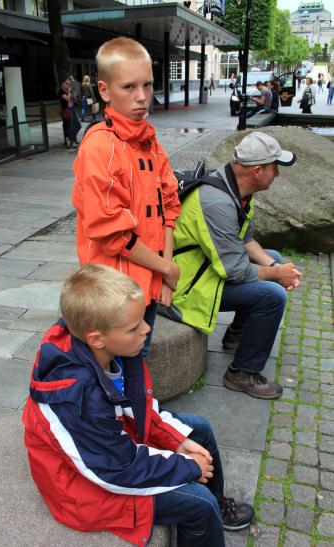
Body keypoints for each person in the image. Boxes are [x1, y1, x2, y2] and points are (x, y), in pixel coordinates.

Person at [22, 264, 254, 547]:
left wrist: (175, 440)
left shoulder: (114, 346)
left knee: (198, 430)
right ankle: (208, 513)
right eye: (134, 327)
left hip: (106, 446)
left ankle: (217, 510)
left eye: (143, 318)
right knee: (198, 503)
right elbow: (115, 470)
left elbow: (139, 406)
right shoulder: (79, 398)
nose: (146, 329)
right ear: (97, 338)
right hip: (83, 488)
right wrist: (187, 467)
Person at [169, 132, 302, 400]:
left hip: (204, 268)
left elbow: (245, 239)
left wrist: (276, 265)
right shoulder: (217, 201)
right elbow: (236, 271)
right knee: (272, 296)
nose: (277, 174)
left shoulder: (233, 188)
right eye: (274, 168)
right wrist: (277, 275)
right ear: (257, 170)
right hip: (185, 285)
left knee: (271, 255)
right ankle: (241, 372)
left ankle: (237, 334)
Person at [72, 37, 181, 356]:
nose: (142, 97)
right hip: (111, 293)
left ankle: (139, 405)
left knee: (137, 360)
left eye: (147, 85)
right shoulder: (100, 146)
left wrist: (164, 274)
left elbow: (169, 209)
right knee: (108, 372)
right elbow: (113, 233)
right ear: (104, 90)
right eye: (129, 87)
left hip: (146, 285)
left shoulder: (151, 142)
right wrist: (165, 269)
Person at [58, 78, 81, 148]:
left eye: (69, 84)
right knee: (69, 127)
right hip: (66, 110)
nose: (68, 85)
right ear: (63, 83)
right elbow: (67, 99)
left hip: (72, 109)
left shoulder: (68, 91)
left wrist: (73, 94)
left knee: (78, 125)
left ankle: (70, 139)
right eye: (67, 83)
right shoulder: (61, 91)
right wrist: (69, 92)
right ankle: (70, 140)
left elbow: (72, 99)